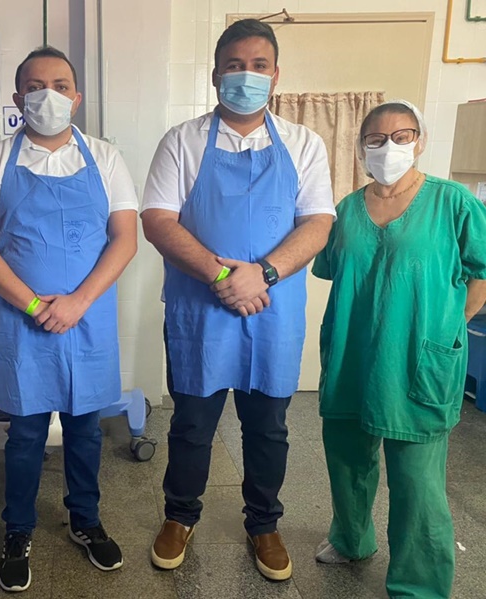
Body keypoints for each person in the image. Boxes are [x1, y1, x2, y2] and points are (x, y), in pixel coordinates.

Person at [141, 19, 336, 580]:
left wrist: (264, 274)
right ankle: (179, 516)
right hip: (200, 310)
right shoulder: (182, 141)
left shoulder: (303, 143)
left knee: (269, 427)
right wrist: (223, 275)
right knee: (192, 424)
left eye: (258, 66)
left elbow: (318, 222)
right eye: (234, 66)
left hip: (271, 311)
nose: (245, 76)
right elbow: (157, 220)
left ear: (275, 76)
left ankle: (264, 523)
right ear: (215, 75)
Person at [0, 46, 138, 593]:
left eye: (60, 85)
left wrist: (78, 301)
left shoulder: (106, 158)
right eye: (36, 86)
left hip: (87, 317)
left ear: (76, 97)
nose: (48, 95)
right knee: (26, 433)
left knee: (86, 428)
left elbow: (125, 239)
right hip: (22, 320)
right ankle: (18, 530)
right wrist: (36, 305)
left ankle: (86, 520)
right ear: (18, 98)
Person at [312, 99, 486, 598]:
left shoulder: (452, 202)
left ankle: (420, 585)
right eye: (376, 138)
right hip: (352, 353)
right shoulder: (346, 210)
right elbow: (330, 268)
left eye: (401, 136)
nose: (388, 146)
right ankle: (351, 539)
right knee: (347, 460)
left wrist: (454, 325)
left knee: (417, 482)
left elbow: (481, 270)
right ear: (361, 146)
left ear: (419, 141)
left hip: (417, 360)